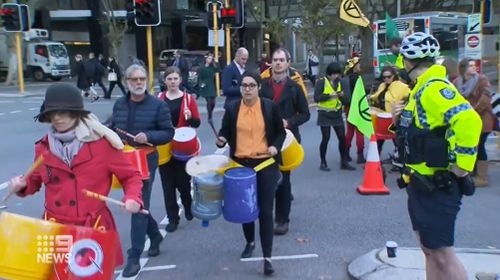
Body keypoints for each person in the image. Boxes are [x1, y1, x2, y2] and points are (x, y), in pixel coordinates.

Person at [8, 83, 144, 269]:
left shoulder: (102, 144)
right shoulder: (43, 147)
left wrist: (132, 197)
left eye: (63, 112)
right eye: (52, 113)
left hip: (93, 226)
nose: (57, 118)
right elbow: (34, 180)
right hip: (56, 228)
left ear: (77, 113)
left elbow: (131, 176)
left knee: (92, 275)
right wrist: (21, 185)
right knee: (58, 275)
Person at [393, 32, 481, 280]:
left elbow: (469, 121)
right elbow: (413, 134)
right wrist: (397, 118)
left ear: (409, 62)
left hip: (437, 184)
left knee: (442, 254)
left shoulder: (434, 89)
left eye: (402, 61)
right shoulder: (419, 91)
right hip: (420, 183)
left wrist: (462, 167)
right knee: (429, 251)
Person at [216, 71, 285, 276]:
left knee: (265, 210)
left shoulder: (269, 107)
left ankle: (267, 258)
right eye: (244, 85)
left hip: (265, 163)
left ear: (258, 87)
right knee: (246, 209)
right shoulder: (232, 107)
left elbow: (280, 133)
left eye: (251, 85)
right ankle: (249, 241)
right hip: (240, 166)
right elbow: (225, 132)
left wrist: (275, 146)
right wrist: (220, 139)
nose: (247, 89)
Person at [110, 64, 175, 277]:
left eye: (142, 79)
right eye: (134, 80)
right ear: (127, 82)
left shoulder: (158, 105)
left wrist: (148, 136)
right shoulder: (119, 104)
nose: (138, 83)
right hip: (123, 160)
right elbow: (112, 127)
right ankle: (155, 235)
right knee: (135, 203)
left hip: (146, 159)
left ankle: (134, 257)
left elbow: (168, 132)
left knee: (136, 204)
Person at [260, 48, 310, 235]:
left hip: (287, 141)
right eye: (275, 60)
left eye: (282, 60)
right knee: (264, 180)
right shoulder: (261, 86)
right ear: (271, 63)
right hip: (264, 139)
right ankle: (265, 215)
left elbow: (305, 114)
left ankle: (282, 220)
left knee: (283, 182)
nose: (278, 63)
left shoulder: (295, 88)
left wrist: (288, 122)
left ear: (288, 63)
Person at [157, 66, 201, 232]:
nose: (173, 82)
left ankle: (188, 205)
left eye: (175, 79)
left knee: (183, 183)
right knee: (167, 186)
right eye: (169, 79)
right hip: (164, 146)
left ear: (180, 80)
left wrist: (190, 118)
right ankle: (173, 219)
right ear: (165, 81)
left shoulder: (188, 99)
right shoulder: (159, 99)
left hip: (183, 147)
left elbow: (197, 123)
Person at [453, 58, 494, 187]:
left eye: (474, 65)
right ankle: (470, 172)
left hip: (482, 119)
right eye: (470, 66)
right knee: (470, 145)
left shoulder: (482, 80)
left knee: (480, 146)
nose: (474, 67)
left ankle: (482, 177)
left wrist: (472, 112)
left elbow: (485, 99)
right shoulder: (456, 82)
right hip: (465, 121)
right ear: (463, 68)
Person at [314, 62, 355, 171]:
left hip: (337, 114)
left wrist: (342, 96)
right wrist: (329, 96)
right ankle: (323, 162)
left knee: (342, 138)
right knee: (326, 138)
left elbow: (345, 99)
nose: (336, 76)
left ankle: (344, 161)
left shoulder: (340, 82)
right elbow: (316, 98)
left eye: (337, 74)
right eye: (334, 74)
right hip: (324, 114)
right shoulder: (321, 82)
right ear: (329, 73)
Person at [369, 66, 409, 154]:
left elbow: (411, 97)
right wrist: (371, 98)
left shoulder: (402, 87)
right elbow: (377, 96)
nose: (386, 79)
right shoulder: (382, 85)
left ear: (394, 76)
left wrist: (403, 106)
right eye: (384, 77)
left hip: (394, 119)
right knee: (379, 140)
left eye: (389, 76)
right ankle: (376, 160)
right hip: (382, 118)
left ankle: (401, 160)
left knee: (397, 140)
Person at [343, 57, 366, 163]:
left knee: (350, 132)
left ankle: (346, 153)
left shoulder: (346, 78)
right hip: (357, 108)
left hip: (348, 108)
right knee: (360, 132)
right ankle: (360, 155)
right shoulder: (357, 78)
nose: (360, 65)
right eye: (358, 64)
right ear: (354, 66)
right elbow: (361, 95)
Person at [197, 53, 221, 121]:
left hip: (211, 85)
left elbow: (218, 70)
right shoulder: (202, 67)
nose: (210, 60)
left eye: (211, 58)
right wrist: (201, 84)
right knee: (209, 102)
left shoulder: (212, 67)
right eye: (209, 58)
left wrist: (216, 61)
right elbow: (200, 77)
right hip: (205, 85)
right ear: (206, 59)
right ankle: (209, 116)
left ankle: (210, 112)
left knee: (213, 103)